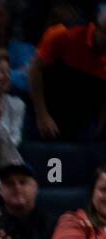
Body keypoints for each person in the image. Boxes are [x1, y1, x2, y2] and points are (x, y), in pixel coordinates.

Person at [28, 7, 106, 140]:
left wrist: (100, 127)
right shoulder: (64, 34)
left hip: (82, 121)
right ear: (98, 28)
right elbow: (35, 69)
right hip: (49, 111)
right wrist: (42, 115)